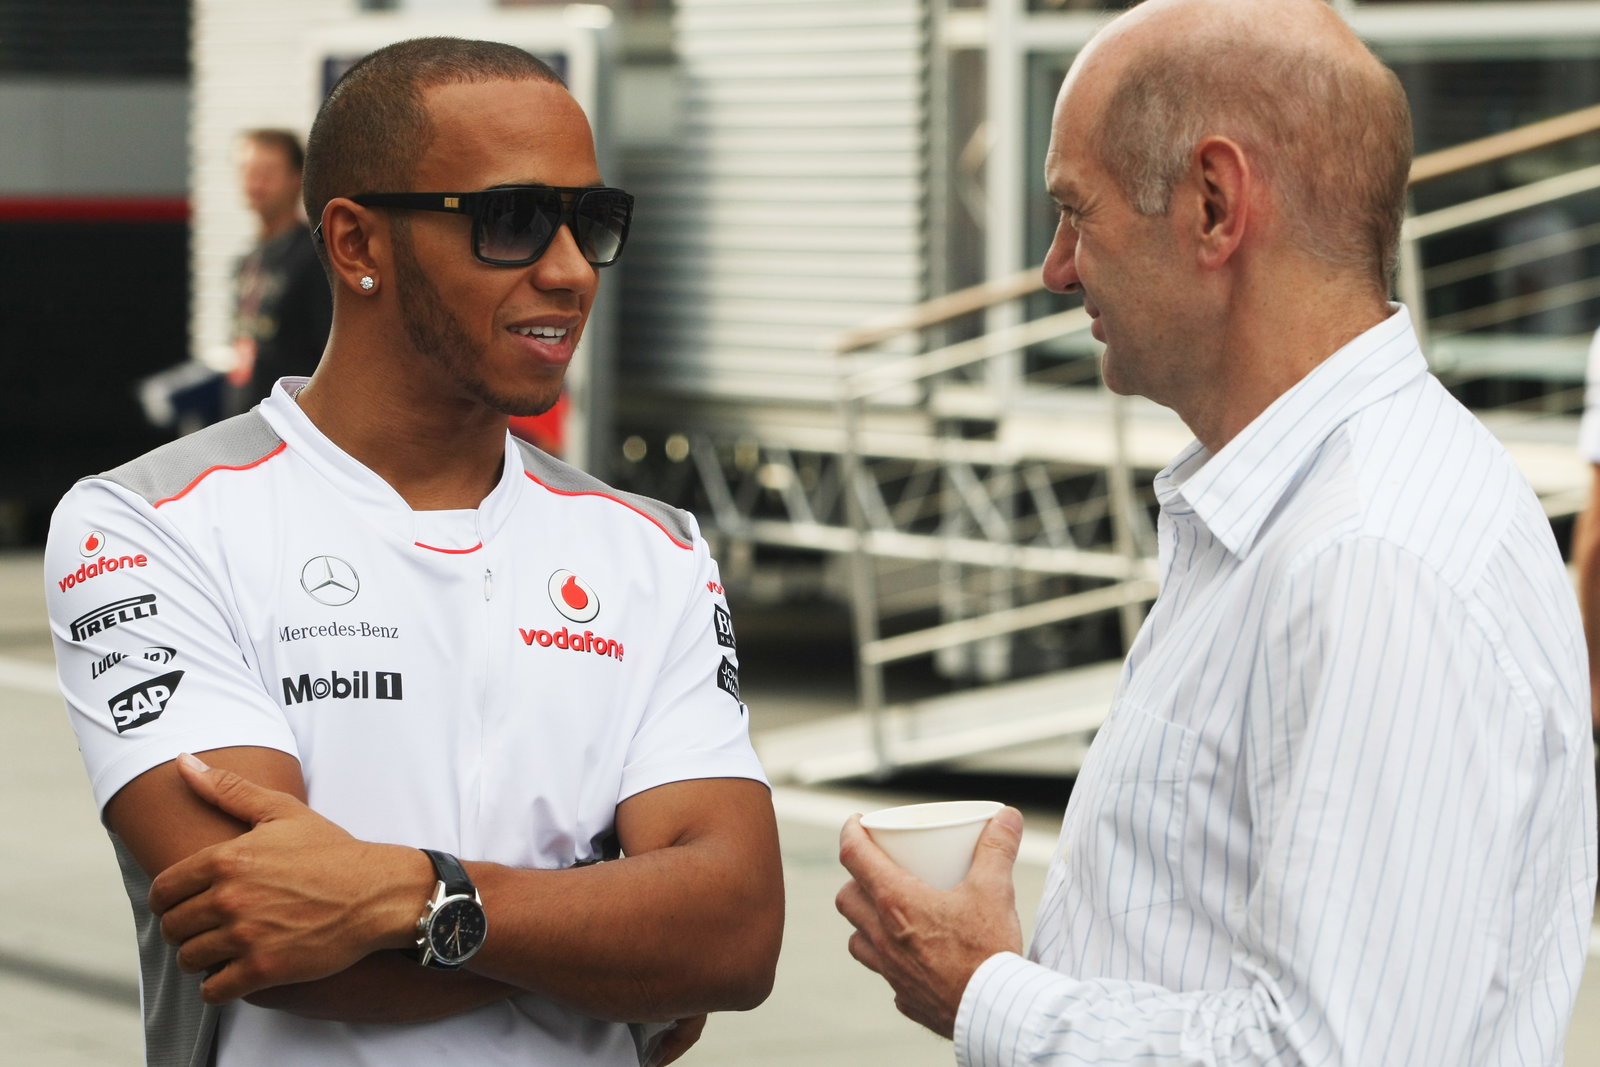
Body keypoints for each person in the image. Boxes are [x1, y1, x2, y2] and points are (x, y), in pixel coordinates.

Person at [837, 1, 1598, 1064]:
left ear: (1212, 202)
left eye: (1074, 210)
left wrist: (986, 990)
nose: (1057, 267)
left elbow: (1328, 1052)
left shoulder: (1371, 555)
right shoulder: (1313, 515)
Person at [45, 37, 782, 1067]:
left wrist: (408, 895)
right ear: (355, 243)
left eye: (591, 221)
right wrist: (606, 929)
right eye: (513, 221)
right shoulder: (149, 523)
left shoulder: (652, 547)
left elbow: (734, 933)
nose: (569, 269)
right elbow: (278, 937)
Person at [229, 129, 333, 412]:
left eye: (267, 172)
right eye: (247, 171)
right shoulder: (246, 260)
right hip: (246, 418)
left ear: (296, 178)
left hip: (293, 420)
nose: (255, 183)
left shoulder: (314, 258)